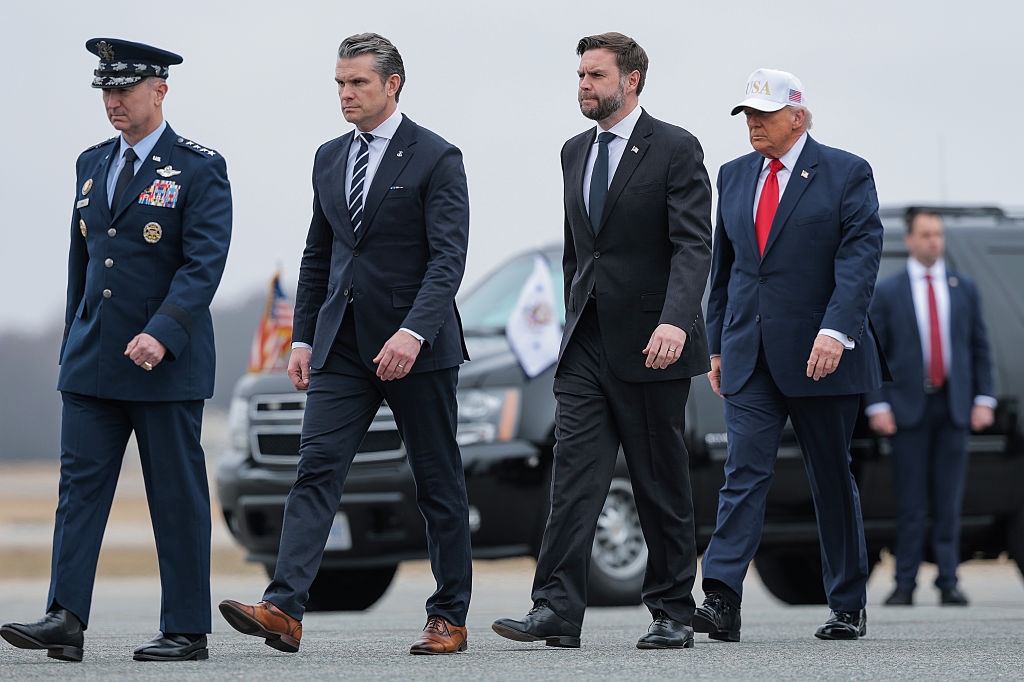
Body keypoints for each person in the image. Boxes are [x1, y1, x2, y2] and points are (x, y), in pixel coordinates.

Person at [219, 33, 472, 656]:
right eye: (339, 82)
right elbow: (319, 255)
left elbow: (448, 260)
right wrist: (304, 335)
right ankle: (284, 608)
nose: (345, 94)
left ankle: (449, 616)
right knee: (315, 470)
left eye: (357, 82)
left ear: (393, 85)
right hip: (344, 349)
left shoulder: (438, 157)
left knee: (437, 481)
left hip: (418, 348)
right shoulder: (329, 157)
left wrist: (414, 332)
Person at [0, 38, 232, 662]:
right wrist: (75, 335)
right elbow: (83, 260)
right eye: (106, 90)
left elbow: (203, 264)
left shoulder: (199, 167)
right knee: (77, 493)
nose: (114, 102)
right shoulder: (90, 163)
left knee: (174, 497)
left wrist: (164, 331)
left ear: (160, 90)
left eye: (125, 90)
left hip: (164, 364)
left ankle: (186, 629)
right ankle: (65, 617)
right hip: (92, 362)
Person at [492, 32, 713, 650]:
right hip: (586, 341)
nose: (583, 85)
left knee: (659, 481)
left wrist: (675, 320)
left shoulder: (674, 147)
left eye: (595, 75)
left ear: (631, 80)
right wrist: (570, 316)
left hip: (652, 341)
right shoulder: (573, 152)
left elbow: (694, 244)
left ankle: (672, 610)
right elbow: (577, 253)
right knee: (575, 481)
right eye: (580, 75)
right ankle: (556, 609)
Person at [697, 68, 885, 641]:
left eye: (764, 113)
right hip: (748, 354)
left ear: (797, 116)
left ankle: (846, 602)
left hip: (820, 353)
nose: (753, 123)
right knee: (742, 472)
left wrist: (837, 332)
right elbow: (724, 270)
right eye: (748, 114)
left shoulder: (846, 173)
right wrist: (716, 346)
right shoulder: (733, 176)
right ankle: (722, 598)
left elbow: (859, 258)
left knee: (830, 477)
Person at [866, 208, 995, 606]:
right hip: (908, 408)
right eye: (925, 234)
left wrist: (983, 398)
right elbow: (875, 352)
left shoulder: (963, 288)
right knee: (910, 500)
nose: (933, 241)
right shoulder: (889, 291)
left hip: (953, 406)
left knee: (948, 499)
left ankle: (949, 580)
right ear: (909, 240)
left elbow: (978, 347)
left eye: (937, 234)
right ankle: (905, 583)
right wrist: (877, 404)